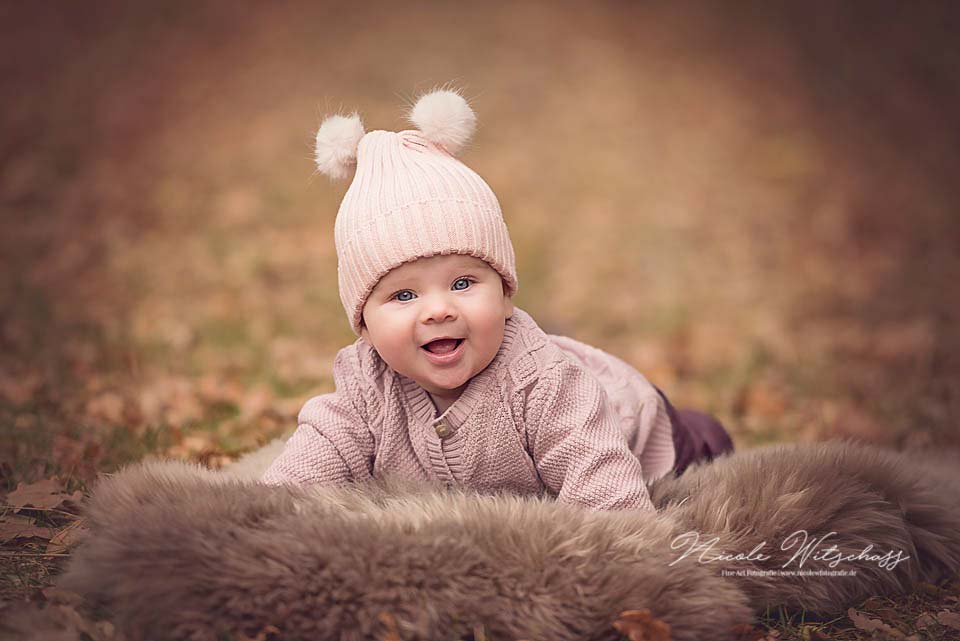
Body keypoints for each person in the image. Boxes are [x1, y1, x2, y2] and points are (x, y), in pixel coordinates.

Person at [261, 88, 733, 511]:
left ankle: (705, 433)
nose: (439, 309)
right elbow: (313, 457)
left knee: (708, 453)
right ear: (363, 325)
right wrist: (259, 518)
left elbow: (606, 496)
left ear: (506, 294)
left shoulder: (546, 386)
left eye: (463, 283)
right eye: (403, 294)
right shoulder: (367, 386)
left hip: (642, 428)